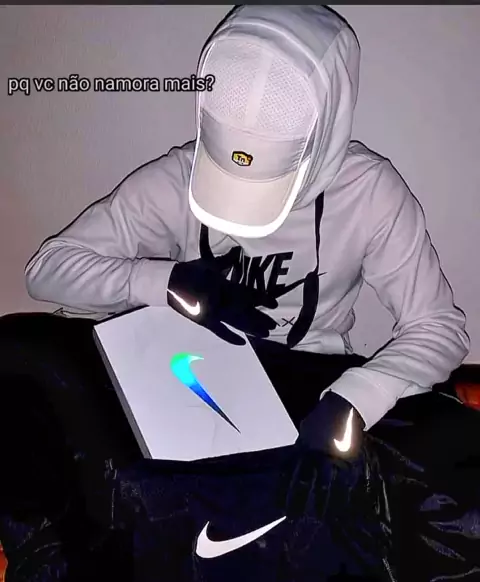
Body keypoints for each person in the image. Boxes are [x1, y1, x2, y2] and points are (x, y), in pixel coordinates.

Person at [1, 5, 478, 581]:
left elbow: (439, 328)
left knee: (454, 460)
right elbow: (47, 270)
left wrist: (355, 400)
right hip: (185, 379)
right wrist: (164, 283)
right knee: (17, 351)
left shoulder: (369, 192)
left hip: (313, 389)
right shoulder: (179, 177)